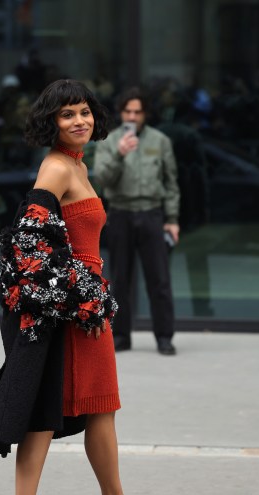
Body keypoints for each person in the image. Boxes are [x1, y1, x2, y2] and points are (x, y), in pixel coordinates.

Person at [0, 79, 163, 495]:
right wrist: (76, 289)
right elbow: (27, 239)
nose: (78, 120)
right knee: (51, 412)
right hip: (76, 313)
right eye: (67, 115)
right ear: (51, 123)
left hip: (88, 309)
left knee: (92, 409)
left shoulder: (78, 165)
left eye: (83, 111)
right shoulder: (57, 168)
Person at [94, 87, 180, 355]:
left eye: (137, 111)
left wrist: (173, 219)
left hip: (152, 214)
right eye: (128, 111)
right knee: (120, 279)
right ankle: (120, 336)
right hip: (120, 213)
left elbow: (171, 182)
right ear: (121, 113)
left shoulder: (160, 140)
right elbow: (101, 180)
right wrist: (120, 154)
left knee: (160, 280)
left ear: (145, 114)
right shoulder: (109, 141)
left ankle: (164, 337)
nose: (132, 116)